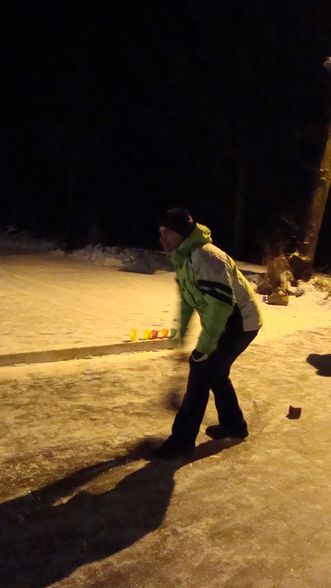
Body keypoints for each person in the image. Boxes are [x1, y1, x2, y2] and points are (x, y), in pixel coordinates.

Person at [153, 208, 263, 460]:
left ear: (181, 233)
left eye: (167, 232)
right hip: (228, 320)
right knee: (216, 373)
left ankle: (181, 441)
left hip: (240, 322)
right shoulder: (184, 259)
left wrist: (204, 346)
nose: (162, 238)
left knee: (201, 372)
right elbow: (187, 301)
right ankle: (234, 426)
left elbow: (221, 306)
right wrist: (181, 334)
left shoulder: (206, 257)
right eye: (160, 232)